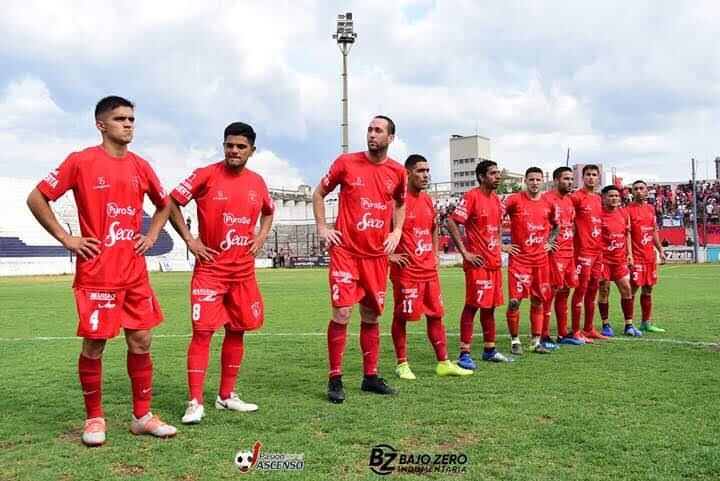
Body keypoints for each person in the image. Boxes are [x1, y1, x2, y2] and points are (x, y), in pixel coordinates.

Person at [26, 96, 177, 446]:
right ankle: (94, 418)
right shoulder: (81, 161)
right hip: (97, 273)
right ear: (101, 125)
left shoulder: (141, 165)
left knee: (141, 340)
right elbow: (36, 197)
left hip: (134, 273)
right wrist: (67, 237)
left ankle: (142, 417)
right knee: (94, 345)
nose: (128, 125)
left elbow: (164, 203)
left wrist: (152, 234)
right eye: (121, 119)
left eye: (132, 119)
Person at [168, 122, 274, 424]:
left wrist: (262, 236)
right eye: (229, 145)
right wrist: (190, 240)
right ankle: (195, 401)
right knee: (202, 333)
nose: (234, 151)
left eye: (241, 146)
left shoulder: (258, 182)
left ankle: (226, 396)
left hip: (243, 273)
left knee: (237, 329)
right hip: (210, 271)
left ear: (252, 150)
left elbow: (269, 211)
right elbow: (172, 200)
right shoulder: (205, 175)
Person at [312, 115, 407, 404]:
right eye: (369, 129)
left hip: (376, 256)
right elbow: (319, 192)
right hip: (346, 253)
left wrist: (397, 231)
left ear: (390, 138)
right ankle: (335, 377)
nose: (372, 134)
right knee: (342, 312)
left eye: (378, 131)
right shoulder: (346, 163)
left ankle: (370, 377)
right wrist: (323, 227)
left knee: (372, 315)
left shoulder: (397, 172)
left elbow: (401, 203)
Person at [389, 154, 472, 379]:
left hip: (428, 270)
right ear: (408, 173)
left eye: (427, 170)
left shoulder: (426, 200)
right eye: (420, 171)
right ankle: (402, 364)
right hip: (406, 271)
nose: (426, 175)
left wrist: (434, 253)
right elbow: (377, 231)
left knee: (436, 315)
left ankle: (443, 362)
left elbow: (433, 228)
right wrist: (390, 256)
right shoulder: (396, 201)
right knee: (402, 316)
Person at [446, 160, 514, 368]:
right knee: (473, 305)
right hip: (478, 264)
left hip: (493, 263)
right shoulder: (472, 197)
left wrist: (500, 247)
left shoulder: (496, 200)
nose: (498, 176)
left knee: (490, 307)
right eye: (493, 173)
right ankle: (465, 353)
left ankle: (489, 349)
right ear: (482, 177)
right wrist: (465, 252)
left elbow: (494, 229)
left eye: (498, 173)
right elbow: (451, 222)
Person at [503, 167, 554, 355]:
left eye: (538, 179)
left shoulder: (548, 203)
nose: (535, 182)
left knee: (538, 300)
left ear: (542, 181)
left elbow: (556, 225)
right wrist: (502, 245)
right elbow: (494, 219)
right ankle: (515, 340)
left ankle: (535, 341)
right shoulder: (514, 200)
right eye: (531, 179)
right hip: (519, 261)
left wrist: (550, 241)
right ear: (525, 180)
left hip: (540, 261)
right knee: (514, 301)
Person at [542, 167, 584, 346]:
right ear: (556, 180)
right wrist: (547, 242)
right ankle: (543, 335)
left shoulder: (568, 201)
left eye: (571, 179)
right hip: (554, 255)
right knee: (550, 293)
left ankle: (562, 333)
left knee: (565, 292)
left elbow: (570, 226)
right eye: (566, 179)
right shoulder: (546, 200)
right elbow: (540, 223)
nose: (570, 182)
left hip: (568, 254)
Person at [596, 185, 643, 337]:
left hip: (619, 259)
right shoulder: (598, 214)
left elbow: (627, 234)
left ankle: (629, 324)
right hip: (603, 259)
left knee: (626, 289)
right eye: (611, 195)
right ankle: (605, 324)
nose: (614, 198)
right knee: (604, 290)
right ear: (603, 198)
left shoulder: (623, 214)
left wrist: (629, 254)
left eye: (616, 195)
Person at [570, 164, 608, 342]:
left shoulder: (598, 199)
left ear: (598, 178)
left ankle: (589, 328)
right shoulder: (576, 197)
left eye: (594, 175)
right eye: (588, 175)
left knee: (594, 289)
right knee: (581, 290)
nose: (591, 177)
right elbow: (566, 219)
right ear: (582, 177)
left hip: (597, 251)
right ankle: (576, 330)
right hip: (582, 251)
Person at [625, 180, 667, 333]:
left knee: (648, 289)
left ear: (647, 191)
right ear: (632, 192)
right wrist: (629, 254)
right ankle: (629, 323)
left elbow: (653, 231)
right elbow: (627, 234)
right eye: (635, 189)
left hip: (649, 256)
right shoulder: (627, 210)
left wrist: (660, 249)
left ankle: (646, 322)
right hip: (636, 257)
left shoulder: (651, 209)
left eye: (641, 188)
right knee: (632, 290)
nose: (638, 191)